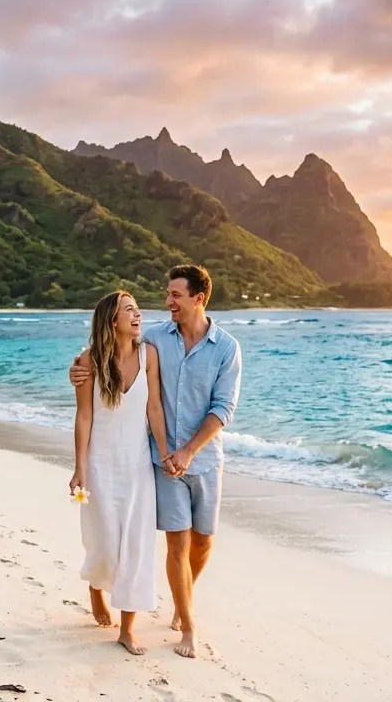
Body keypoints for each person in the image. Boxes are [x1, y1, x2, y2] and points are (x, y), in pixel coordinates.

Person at [70, 265, 242, 659]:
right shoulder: (149, 341)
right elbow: (91, 397)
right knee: (131, 544)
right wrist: (76, 369)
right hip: (130, 464)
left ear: (198, 298)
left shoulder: (221, 348)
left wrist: (179, 451)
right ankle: (166, 612)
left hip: (179, 461)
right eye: (165, 295)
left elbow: (206, 408)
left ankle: (155, 612)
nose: (165, 303)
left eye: (175, 296)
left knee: (179, 545)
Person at [70, 290, 172, 655]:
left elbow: (155, 409)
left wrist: (164, 451)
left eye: (137, 309)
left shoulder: (149, 356)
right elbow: (84, 416)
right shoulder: (90, 361)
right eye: (129, 309)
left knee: (137, 547)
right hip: (100, 464)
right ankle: (97, 586)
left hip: (137, 465)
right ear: (112, 321)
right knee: (104, 544)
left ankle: (128, 628)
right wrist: (79, 467)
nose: (137, 314)